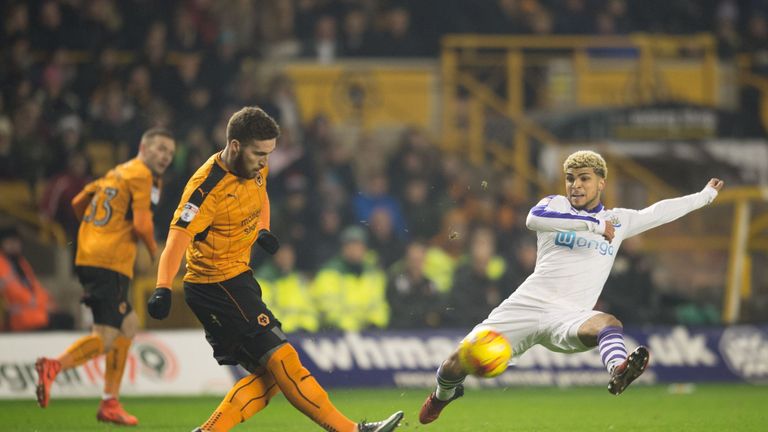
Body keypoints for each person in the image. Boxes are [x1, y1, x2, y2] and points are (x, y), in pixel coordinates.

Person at [419, 150, 724, 425]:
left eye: (584, 179)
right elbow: (533, 219)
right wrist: (591, 225)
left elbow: (658, 212)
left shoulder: (618, 221)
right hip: (527, 304)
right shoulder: (555, 204)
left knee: (608, 323)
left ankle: (618, 369)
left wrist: (704, 197)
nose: (575, 185)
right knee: (454, 364)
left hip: (570, 315)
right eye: (570, 179)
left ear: (601, 183)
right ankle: (442, 396)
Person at [145, 106, 402, 432]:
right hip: (215, 285)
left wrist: (262, 229)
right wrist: (163, 286)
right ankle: (352, 431)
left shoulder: (254, 166)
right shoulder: (204, 191)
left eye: (269, 153)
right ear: (235, 146)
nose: (265, 161)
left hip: (238, 279)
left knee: (271, 379)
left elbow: (260, 193)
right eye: (258, 153)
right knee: (284, 360)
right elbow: (175, 241)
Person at [35, 128, 176, 425]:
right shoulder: (142, 175)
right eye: (161, 148)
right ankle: (54, 366)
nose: (166, 156)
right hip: (109, 261)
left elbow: (77, 204)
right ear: (143, 146)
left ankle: (110, 402)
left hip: (93, 257)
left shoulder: (116, 173)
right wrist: (153, 251)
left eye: (170, 153)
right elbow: (141, 224)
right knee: (107, 337)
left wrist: (93, 233)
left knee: (128, 325)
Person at [0, 226, 73, 331]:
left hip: (34, 314)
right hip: (20, 318)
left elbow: (35, 288)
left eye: (16, 242)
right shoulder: (2, 265)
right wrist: (43, 306)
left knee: (66, 318)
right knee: (65, 321)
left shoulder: (21, 264)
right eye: (10, 242)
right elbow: (17, 294)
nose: (14, 246)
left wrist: (49, 305)